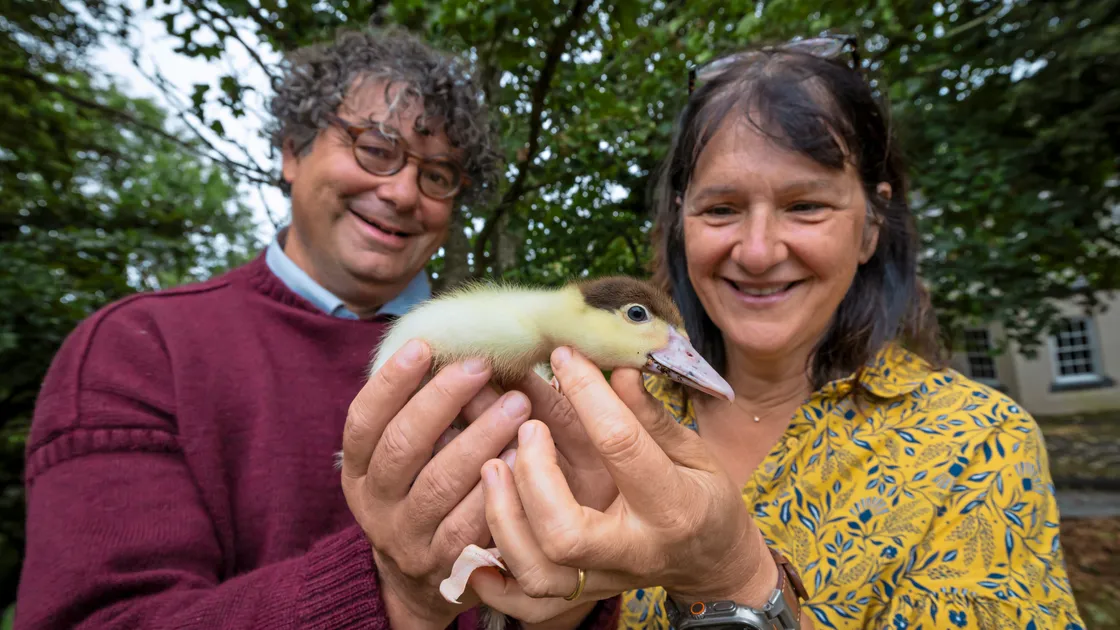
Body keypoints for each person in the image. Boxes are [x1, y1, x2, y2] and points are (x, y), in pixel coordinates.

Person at [360, 36, 1087, 629]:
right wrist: (559, 615)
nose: (760, 250)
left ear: (871, 224)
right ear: (680, 224)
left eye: (805, 206)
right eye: (720, 209)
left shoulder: (979, 443)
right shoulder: (598, 409)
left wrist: (737, 581)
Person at [15, 26, 621, 630]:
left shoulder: (521, 356)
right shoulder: (138, 349)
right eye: (375, 149)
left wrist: (568, 602)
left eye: (438, 175)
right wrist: (396, 598)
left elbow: (540, 595)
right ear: (291, 151)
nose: (403, 190)